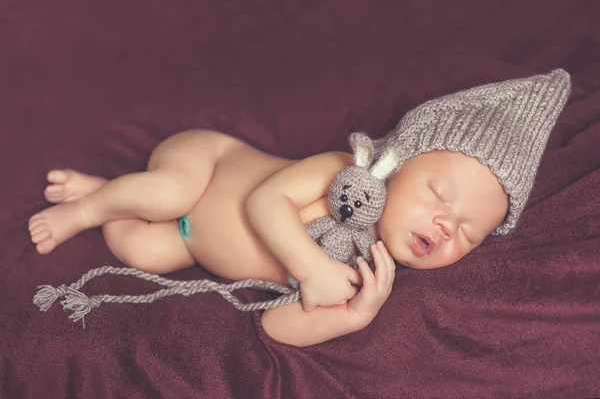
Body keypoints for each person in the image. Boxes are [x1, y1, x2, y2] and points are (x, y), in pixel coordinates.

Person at [28, 69, 570, 347]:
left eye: (469, 234)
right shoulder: (341, 169)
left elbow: (276, 328)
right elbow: (265, 201)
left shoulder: (369, 271)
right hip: (206, 164)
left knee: (144, 250)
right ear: (398, 160)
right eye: (439, 196)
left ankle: (110, 191)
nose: (446, 225)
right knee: (165, 193)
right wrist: (312, 267)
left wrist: (354, 315)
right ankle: (90, 206)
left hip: (191, 240)